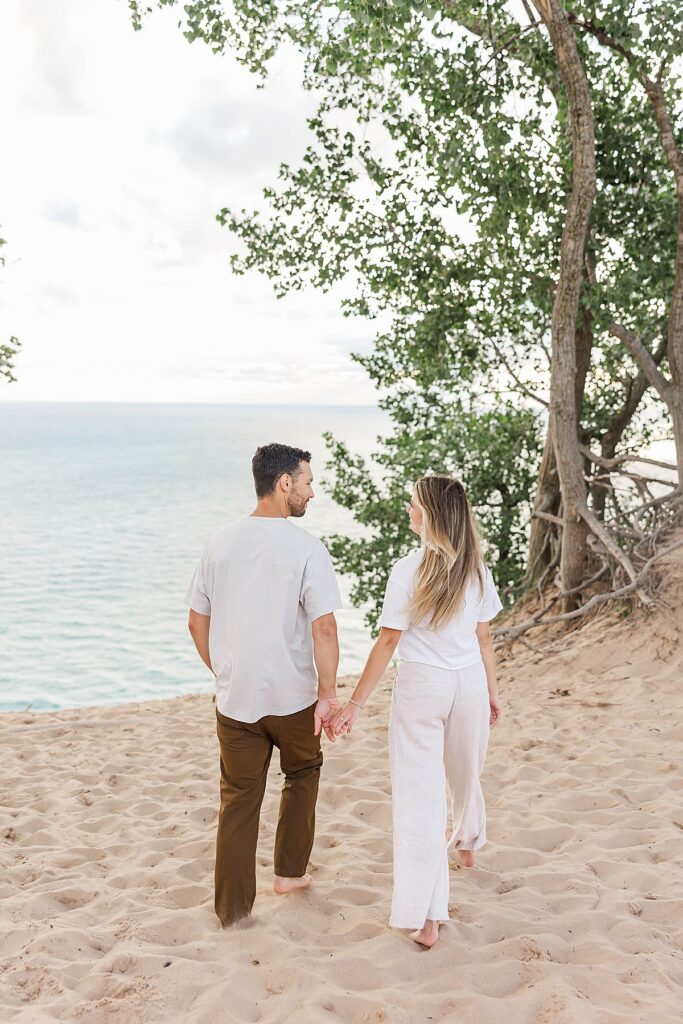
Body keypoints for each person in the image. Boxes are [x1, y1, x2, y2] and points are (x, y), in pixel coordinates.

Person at [330, 474, 502, 949]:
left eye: (412, 506)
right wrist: (491, 689)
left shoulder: (409, 570)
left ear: (429, 515)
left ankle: (428, 917)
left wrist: (355, 704)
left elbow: (389, 640)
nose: (408, 511)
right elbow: (483, 637)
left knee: (420, 800)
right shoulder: (477, 569)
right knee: (467, 772)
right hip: (466, 681)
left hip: (423, 686)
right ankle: (467, 840)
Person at [185, 443, 342, 927]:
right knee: (303, 774)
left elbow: (196, 622)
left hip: (236, 701)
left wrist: (226, 671)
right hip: (293, 699)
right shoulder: (305, 548)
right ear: (284, 484)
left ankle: (232, 913)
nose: (312, 492)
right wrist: (328, 694)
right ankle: (289, 874)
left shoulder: (219, 542)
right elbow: (325, 628)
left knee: (238, 797)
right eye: (308, 482)